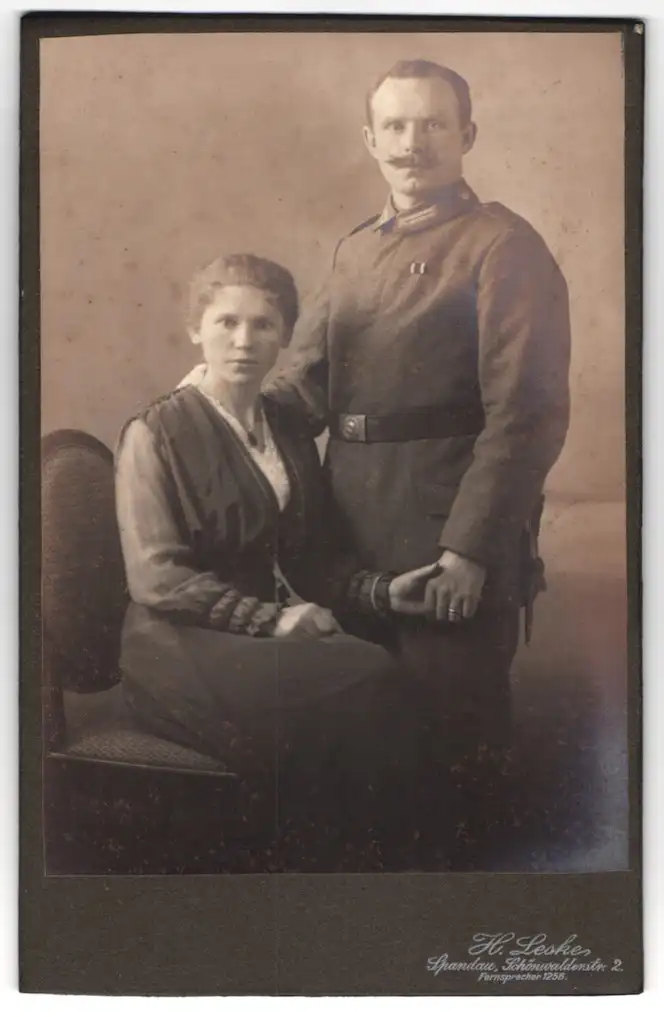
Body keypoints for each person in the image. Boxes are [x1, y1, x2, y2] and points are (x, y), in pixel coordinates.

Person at [183, 60, 572, 867]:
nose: (412, 142)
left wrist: (469, 549)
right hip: (345, 533)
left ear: (468, 136)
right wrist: (207, 408)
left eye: (433, 124)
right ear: (369, 139)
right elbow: (301, 385)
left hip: (444, 533)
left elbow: (526, 416)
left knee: (452, 754)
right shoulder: (357, 249)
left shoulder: (503, 245)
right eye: (394, 126)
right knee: (362, 750)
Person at [115, 252, 437, 872]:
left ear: (286, 336)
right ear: (195, 329)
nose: (244, 340)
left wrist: (382, 592)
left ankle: (378, 888)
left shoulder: (283, 425)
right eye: (226, 322)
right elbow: (156, 577)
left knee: (384, 670)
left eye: (264, 325)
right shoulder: (155, 431)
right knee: (365, 682)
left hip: (257, 633)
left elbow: (309, 555)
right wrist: (273, 621)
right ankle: (325, 887)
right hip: (179, 644)